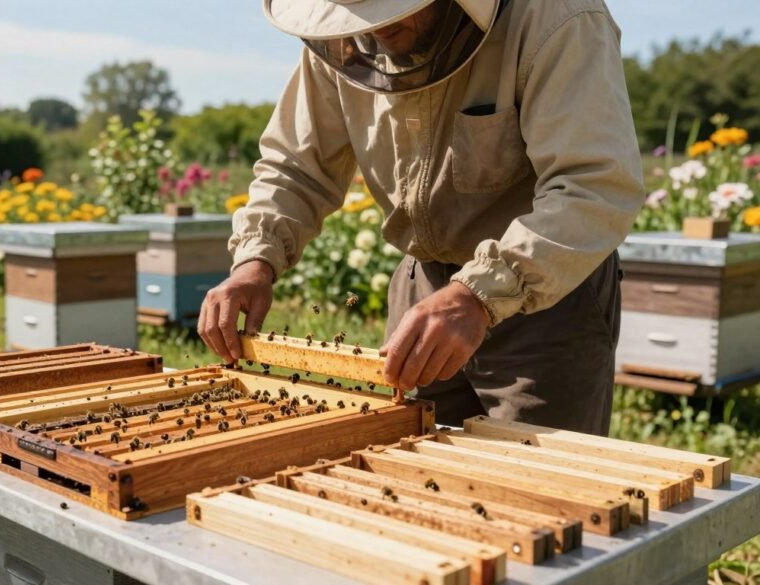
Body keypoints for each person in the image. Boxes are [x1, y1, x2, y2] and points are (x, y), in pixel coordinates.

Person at [197, 0, 645, 435]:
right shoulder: (346, 33)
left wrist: (477, 295)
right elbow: (296, 166)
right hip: (422, 290)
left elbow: (592, 184)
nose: (373, 30)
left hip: (547, 299)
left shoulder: (558, 16)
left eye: (388, 8)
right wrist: (256, 259)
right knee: (405, 468)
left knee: (536, 490)